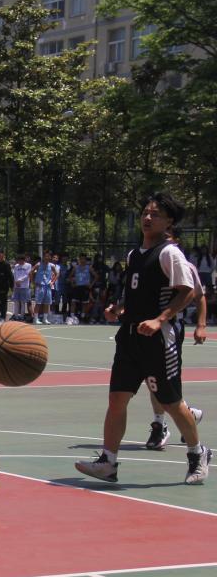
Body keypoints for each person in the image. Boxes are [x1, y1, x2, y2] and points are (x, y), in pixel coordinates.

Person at [75, 192, 210, 485]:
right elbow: (136, 293)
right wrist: (118, 308)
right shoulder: (134, 255)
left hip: (158, 339)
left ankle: (197, 453)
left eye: (155, 214)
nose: (147, 218)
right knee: (116, 399)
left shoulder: (170, 253)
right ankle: (108, 462)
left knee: (171, 402)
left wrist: (160, 319)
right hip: (129, 337)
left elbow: (188, 291)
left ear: (169, 221)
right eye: (145, 213)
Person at [143, 226, 205, 449]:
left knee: (164, 381)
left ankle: (161, 425)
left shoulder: (184, 265)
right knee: (151, 381)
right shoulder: (148, 261)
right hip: (145, 327)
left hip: (168, 329)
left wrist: (200, 325)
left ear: (175, 240)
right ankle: (183, 416)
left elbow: (198, 295)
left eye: (167, 236)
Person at [31, 250, 58, 325]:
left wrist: (52, 282)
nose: (47, 257)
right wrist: (33, 283)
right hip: (40, 286)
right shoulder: (38, 264)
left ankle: (45, 319)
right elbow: (31, 272)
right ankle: (35, 319)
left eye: (48, 256)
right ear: (43, 257)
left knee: (47, 303)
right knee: (38, 303)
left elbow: (57, 274)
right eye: (45, 256)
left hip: (48, 286)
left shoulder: (51, 265)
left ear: (50, 257)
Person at [68, 254, 96, 323]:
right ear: (79, 260)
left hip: (85, 287)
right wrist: (72, 283)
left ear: (86, 260)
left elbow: (96, 276)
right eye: (81, 259)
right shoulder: (75, 267)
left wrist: (91, 285)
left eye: (84, 259)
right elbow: (70, 276)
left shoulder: (89, 267)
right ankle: (72, 317)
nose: (82, 260)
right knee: (73, 302)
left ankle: (82, 317)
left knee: (84, 304)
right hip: (77, 287)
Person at [11, 253, 32, 322]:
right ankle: (16, 316)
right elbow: (15, 274)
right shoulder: (16, 266)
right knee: (16, 301)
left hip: (24, 286)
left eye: (21, 260)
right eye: (19, 260)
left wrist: (20, 281)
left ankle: (22, 316)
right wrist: (16, 282)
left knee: (23, 302)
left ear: (24, 260)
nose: (20, 262)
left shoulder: (28, 265)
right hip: (17, 286)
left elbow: (27, 274)